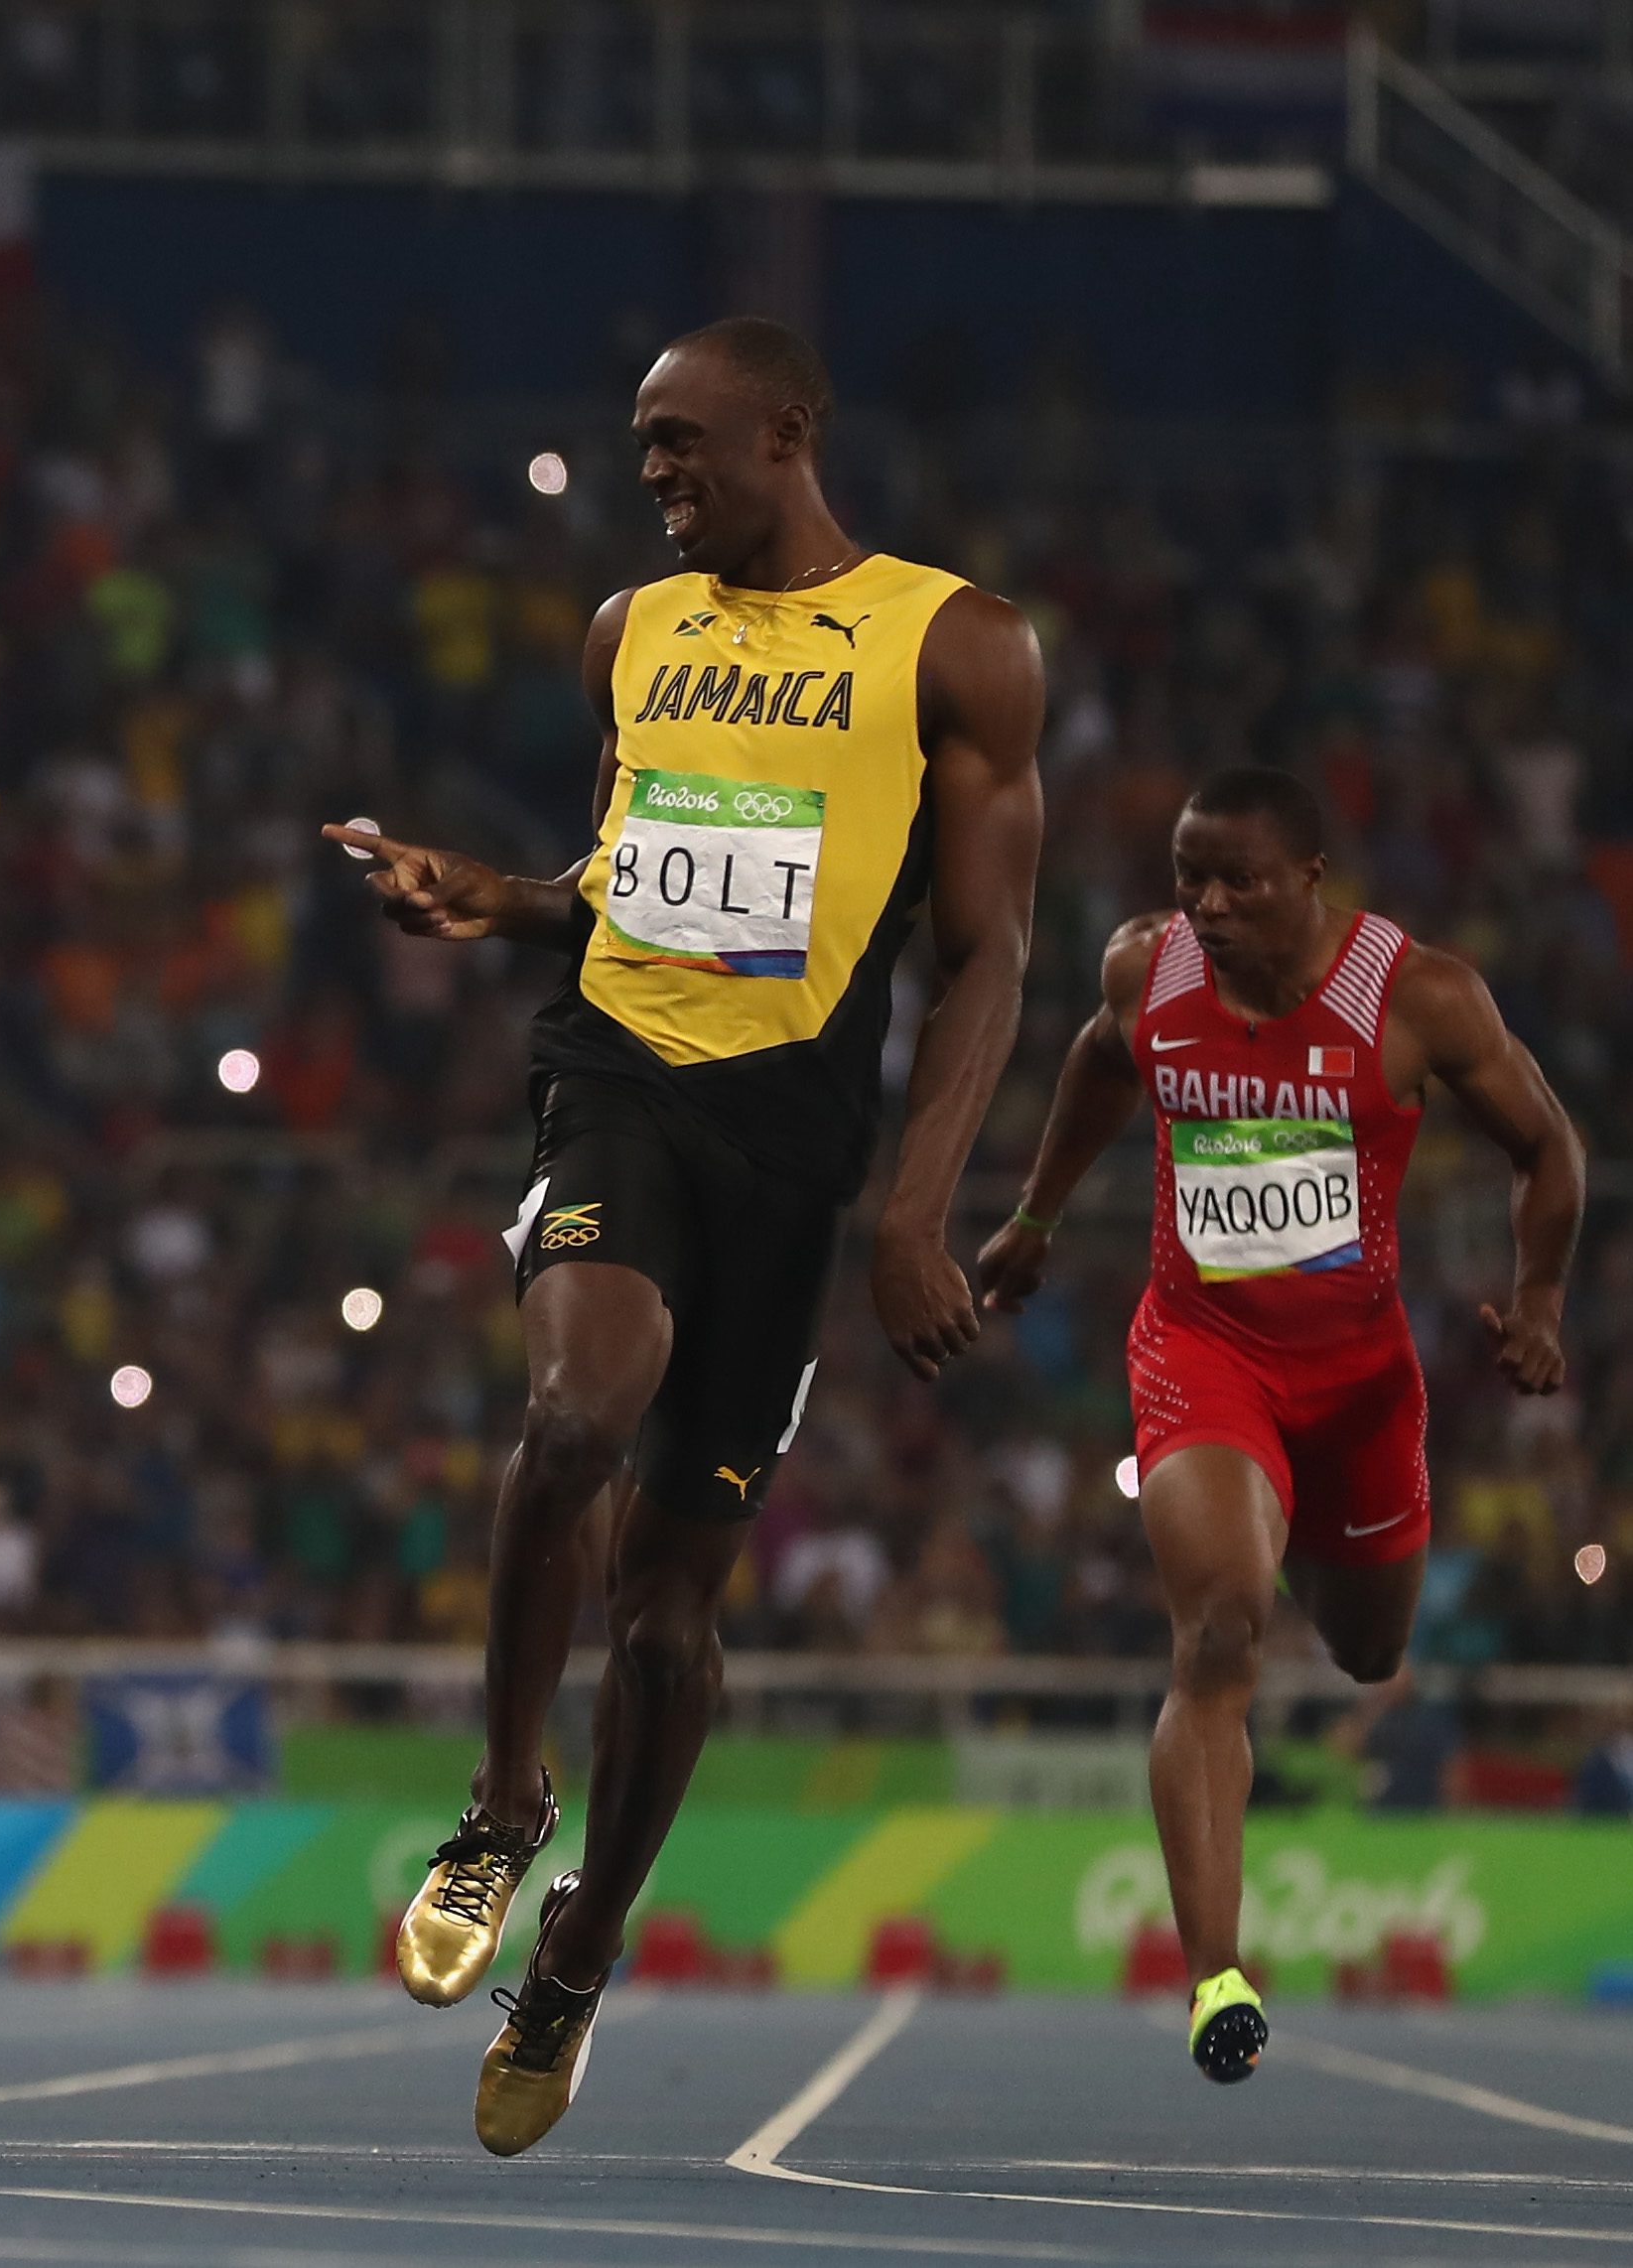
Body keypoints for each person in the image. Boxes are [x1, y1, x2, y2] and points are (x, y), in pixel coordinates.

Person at [327, 316, 1042, 2155]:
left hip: (793, 1145)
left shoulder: (953, 643)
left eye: (678, 440)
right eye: (639, 445)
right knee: (573, 1414)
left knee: (667, 1615)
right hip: (616, 1078)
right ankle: (500, 1807)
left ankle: (577, 1954)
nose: (650, 471)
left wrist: (910, 1209)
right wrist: (493, 901)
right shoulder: (627, 636)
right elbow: (619, 878)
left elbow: (986, 960)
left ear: (789, 427)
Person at [980, 765, 1577, 2083]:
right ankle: (1214, 1973)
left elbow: (1548, 1147)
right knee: (1218, 1632)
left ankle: (1303, 1532)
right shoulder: (1147, 972)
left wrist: (1537, 1296)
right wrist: (1032, 1216)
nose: (1204, 901)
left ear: (1310, 876)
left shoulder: (1414, 995)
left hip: (1359, 1384)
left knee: (1368, 1650)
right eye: (1189, 873)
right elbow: (1093, 1064)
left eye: (1236, 879)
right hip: (1204, 1355)